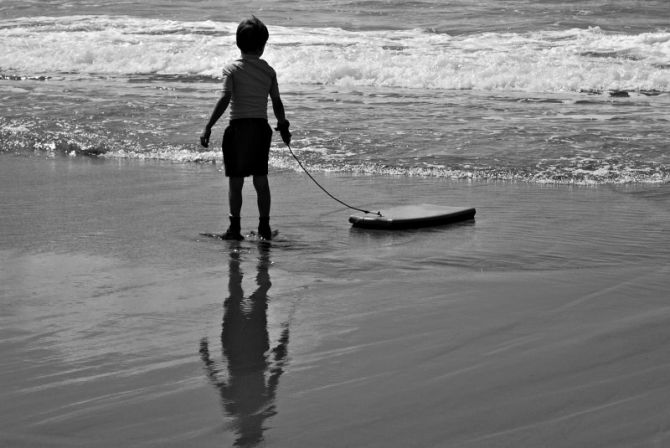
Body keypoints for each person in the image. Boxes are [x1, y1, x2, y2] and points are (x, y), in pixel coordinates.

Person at [200, 16, 291, 241]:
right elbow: (277, 102)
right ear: (262, 46)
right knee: (261, 180)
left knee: (236, 181)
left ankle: (234, 229)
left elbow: (224, 98)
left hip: (238, 129)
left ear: (238, 44)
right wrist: (283, 125)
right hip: (260, 129)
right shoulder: (268, 71)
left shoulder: (232, 69)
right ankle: (264, 228)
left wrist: (208, 126)